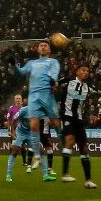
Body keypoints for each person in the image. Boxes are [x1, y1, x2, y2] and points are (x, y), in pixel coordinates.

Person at [57, 63, 101, 188]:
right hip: (67, 116)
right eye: (83, 70)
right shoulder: (67, 81)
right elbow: (52, 85)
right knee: (70, 140)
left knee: (84, 148)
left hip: (79, 119)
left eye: (87, 71)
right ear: (77, 71)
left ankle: (88, 180)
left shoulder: (88, 86)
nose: (86, 72)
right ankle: (65, 173)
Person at [12, 40, 61, 182]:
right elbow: (21, 72)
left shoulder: (53, 62)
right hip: (34, 97)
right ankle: (39, 161)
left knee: (56, 125)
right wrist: (14, 64)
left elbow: (54, 74)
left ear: (49, 49)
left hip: (47, 96)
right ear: (37, 49)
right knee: (34, 126)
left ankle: (64, 151)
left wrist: (53, 80)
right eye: (41, 45)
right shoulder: (32, 63)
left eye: (46, 45)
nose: (43, 47)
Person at [5, 95, 32, 182]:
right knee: (14, 148)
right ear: (14, 100)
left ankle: (24, 161)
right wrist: (10, 130)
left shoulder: (25, 109)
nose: (18, 100)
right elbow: (9, 120)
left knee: (23, 147)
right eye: (16, 98)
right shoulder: (12, 108)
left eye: (19, 98)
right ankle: (10, 167)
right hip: (16, 131)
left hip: (24, 131)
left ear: (22, 100)